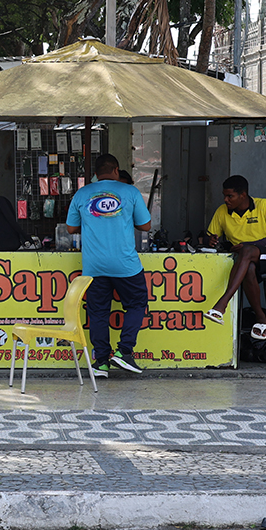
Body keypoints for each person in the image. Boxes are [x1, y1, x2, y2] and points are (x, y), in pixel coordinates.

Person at [66, 153, 152, 378]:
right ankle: (124, 352)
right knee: (136, 302)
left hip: (94, 266)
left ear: (95, 174)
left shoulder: (82, 193)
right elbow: (145, 225)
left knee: (98, 312)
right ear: (116, 170)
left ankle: (101, 362)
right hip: (125, 264)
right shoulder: (131, 192)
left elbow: (71, 229)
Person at [205, 175, 266, 331]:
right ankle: (261, 318)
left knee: (247, 251)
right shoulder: (222, 212)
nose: (225, 200)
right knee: (248, 267)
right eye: (224, 196)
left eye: (230, 196)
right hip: (243, 261)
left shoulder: (263, 205)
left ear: (243, 195)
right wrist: (210, 240)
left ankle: (222, 303)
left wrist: (250, 244)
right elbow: (209, 237)